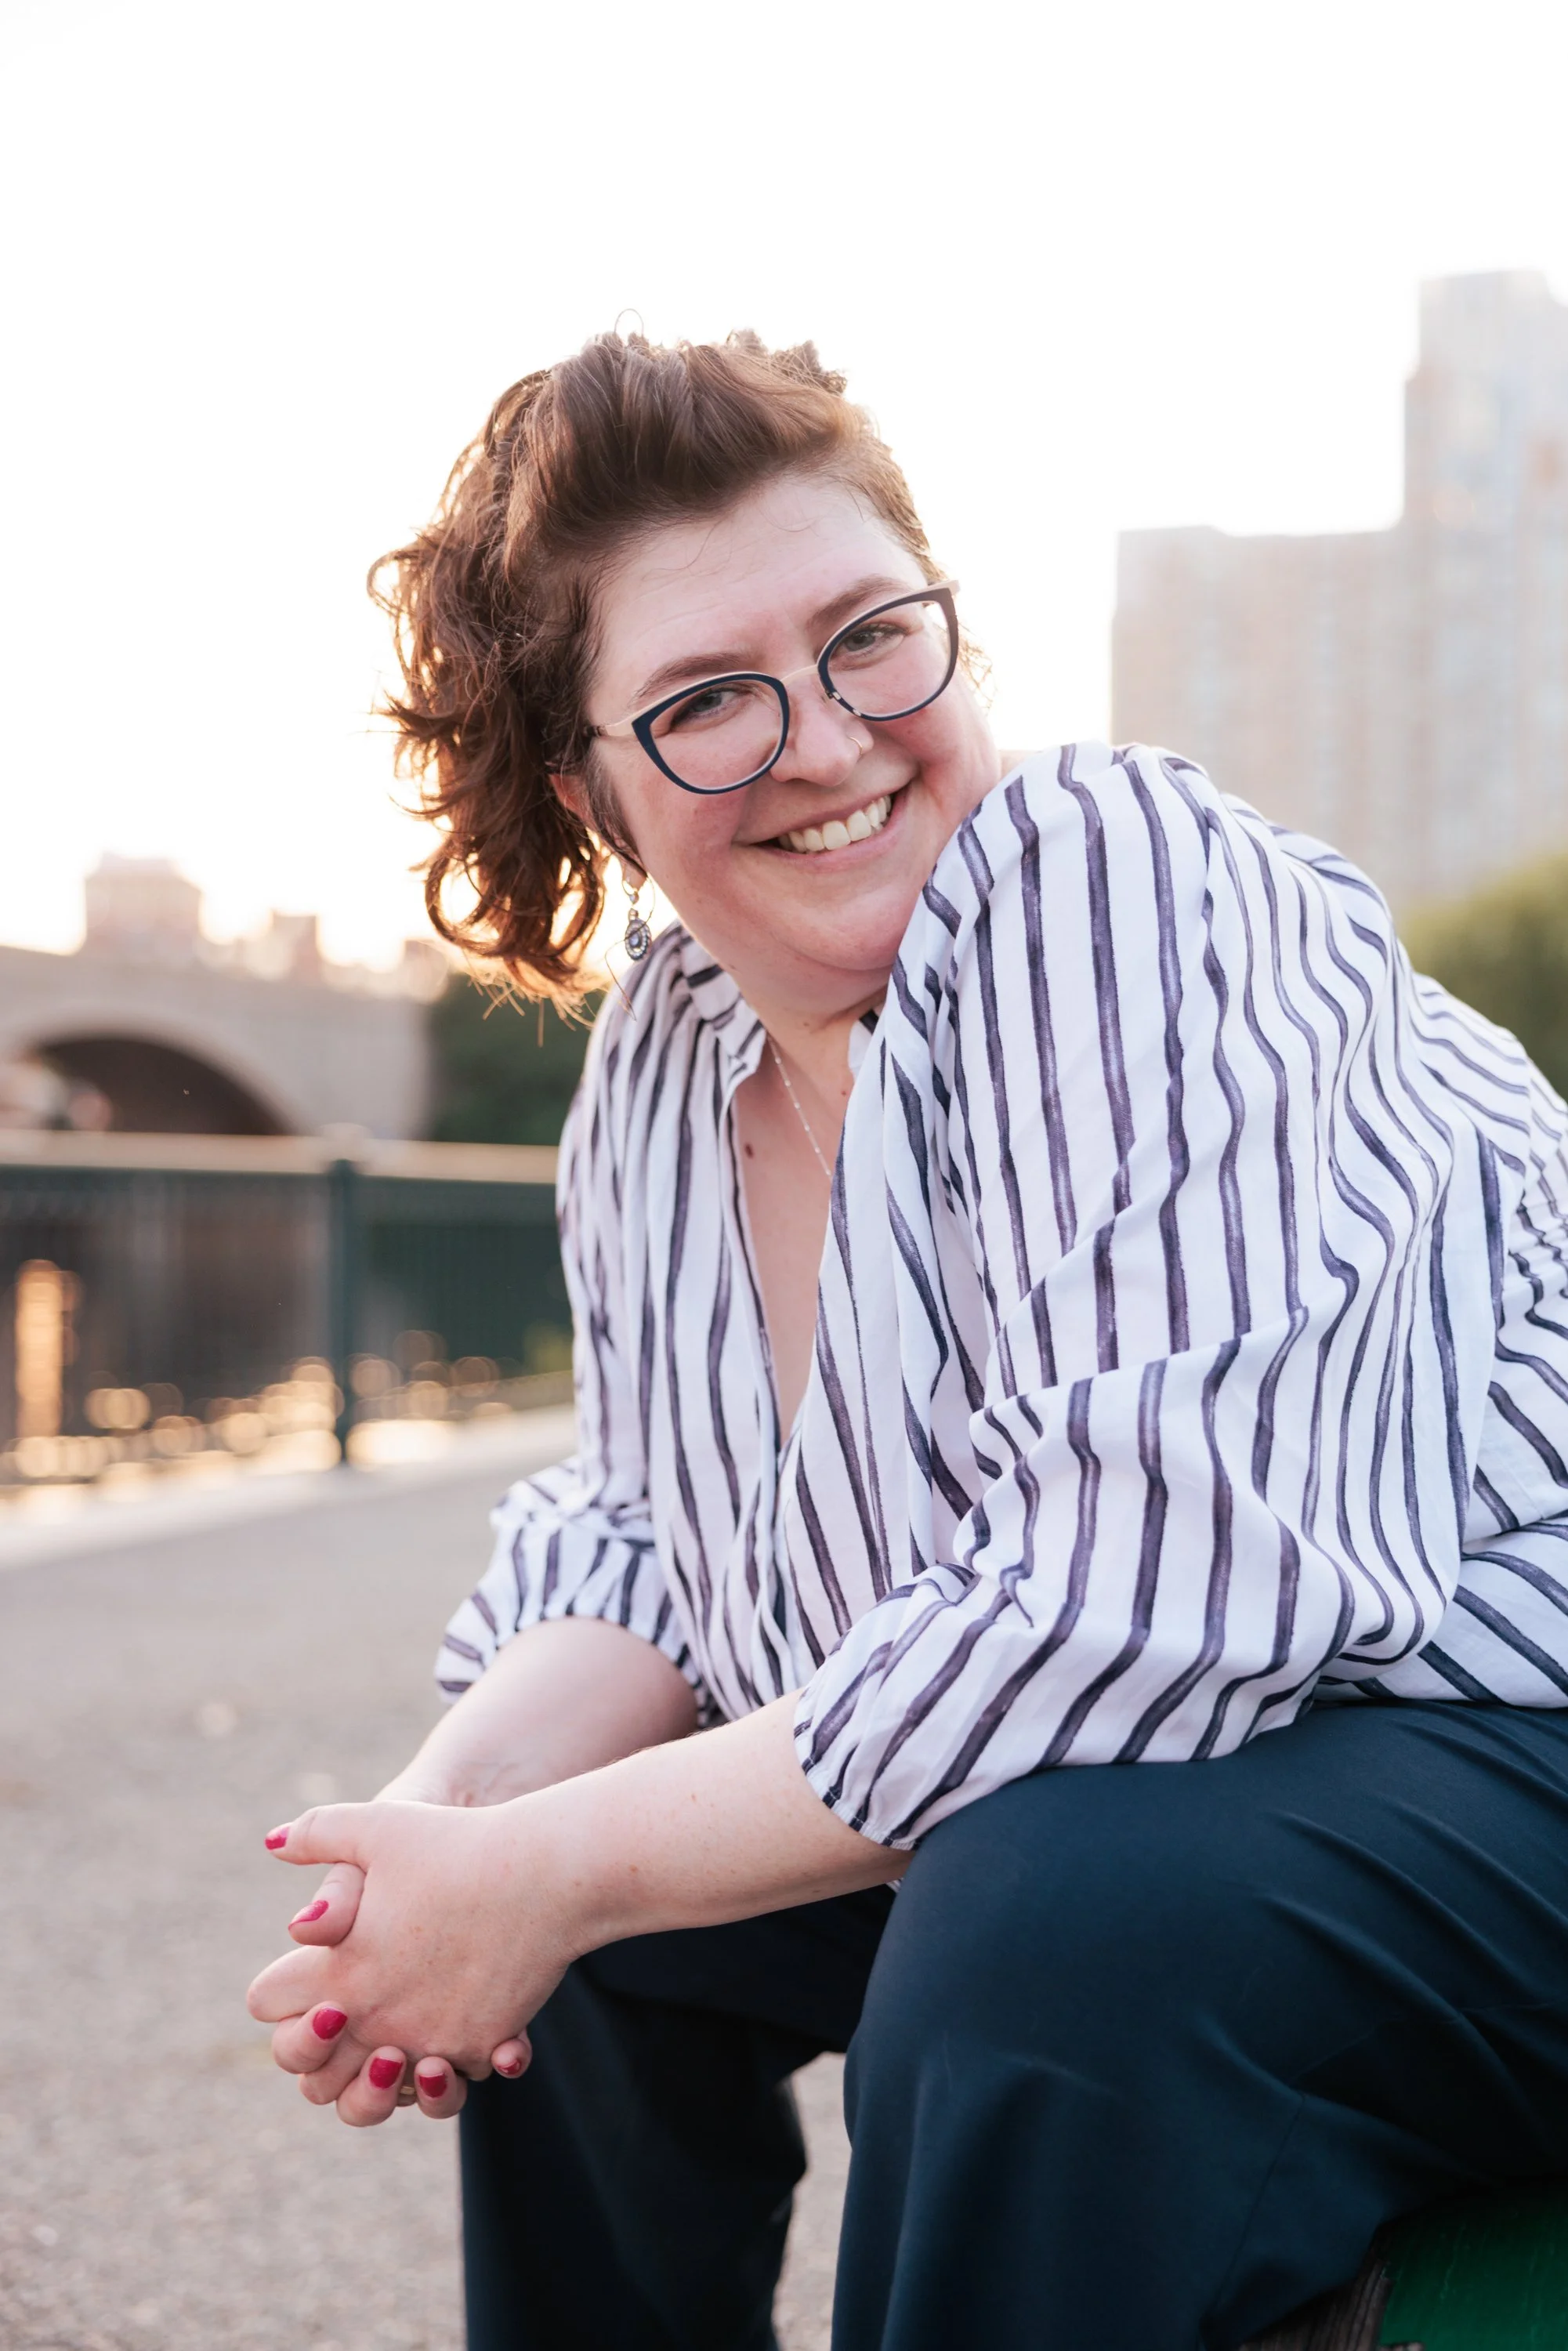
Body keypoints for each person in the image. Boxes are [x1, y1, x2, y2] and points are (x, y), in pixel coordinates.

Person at [248, 331, 1568, 2351]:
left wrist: (558, 1869)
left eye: (871, 638)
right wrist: (429, 1867)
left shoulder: (1119, 890)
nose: (828, 738)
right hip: (1235, 1797)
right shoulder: (669, 1069)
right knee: (588, 1912)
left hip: (1508, 1756)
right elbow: (649, 1550)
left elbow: (1154, 1607)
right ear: (586, 791)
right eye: (703, 702)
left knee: (1044, 1916)